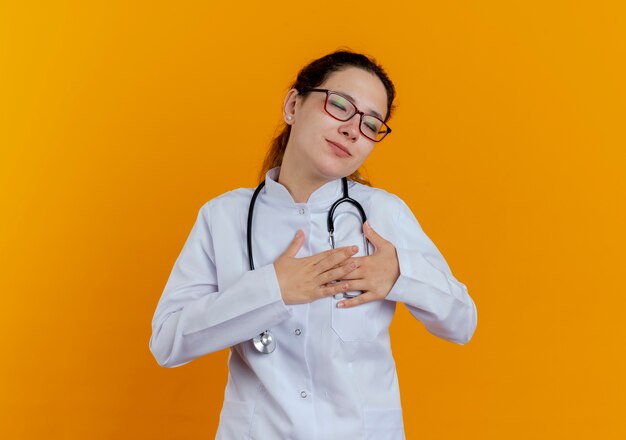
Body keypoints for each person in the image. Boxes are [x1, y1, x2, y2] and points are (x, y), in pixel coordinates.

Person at [149, 49, 477, 440]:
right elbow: (167, 343)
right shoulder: (223, 217)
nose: (353, 130)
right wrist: (272, 289)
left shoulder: (383, 214)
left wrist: (400, 274)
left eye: (372, 124)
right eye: (340, 105)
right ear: (293, 105)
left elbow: (462, 323)